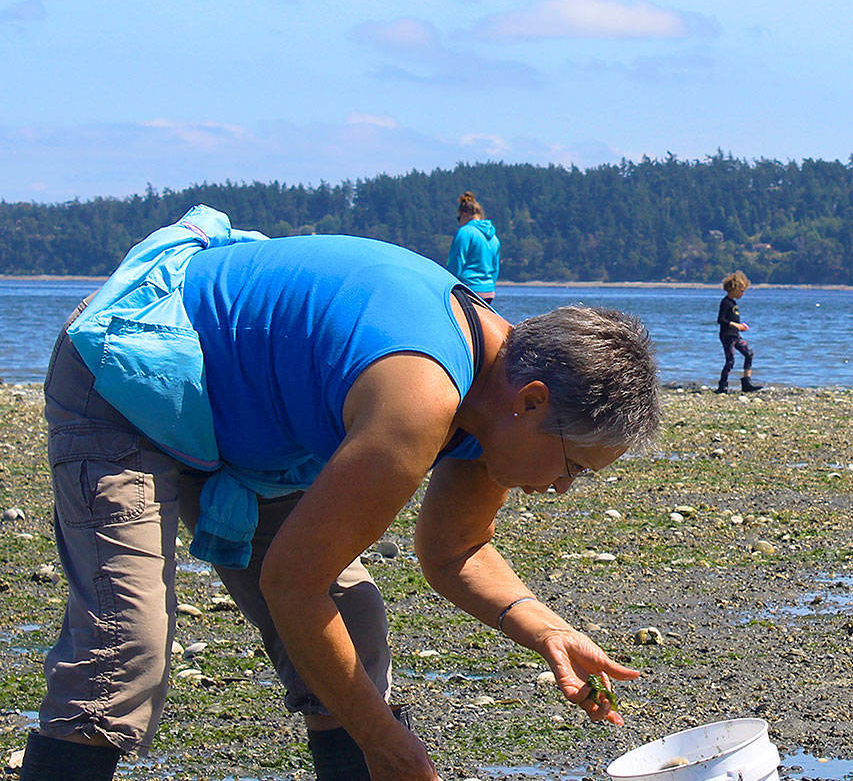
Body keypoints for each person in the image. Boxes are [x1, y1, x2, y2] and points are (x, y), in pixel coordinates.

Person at [21, 206, 660, 781]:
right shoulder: (421, 396)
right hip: (134, 371)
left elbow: (456, 549)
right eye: (572, 465)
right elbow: (291, 584)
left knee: (352, 628)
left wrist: (546, 630)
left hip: (242, 425)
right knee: (123, 651)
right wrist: (384, 741)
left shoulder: (494, 405)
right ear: (532, 400)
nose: (559, 488)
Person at [446, 191, 501, 304]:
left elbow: (456, 262)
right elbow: (495, 268)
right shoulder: (493, 237)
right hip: (488, 291)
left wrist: (446, 285)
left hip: (469, 289)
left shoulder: (465, 232)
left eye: (458, 218)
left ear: (464, 214)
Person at [716, 270, 762, 393]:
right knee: (730, 361)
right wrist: (736, 325)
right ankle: (722, 385)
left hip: (735, 335)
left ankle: (746, 382)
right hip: (727, 336)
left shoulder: (734, 303)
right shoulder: (725, 302)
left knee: (749, 354)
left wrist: (741, 326)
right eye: (741, 291)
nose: (743, 293)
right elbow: (721, 320)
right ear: (734, 289)